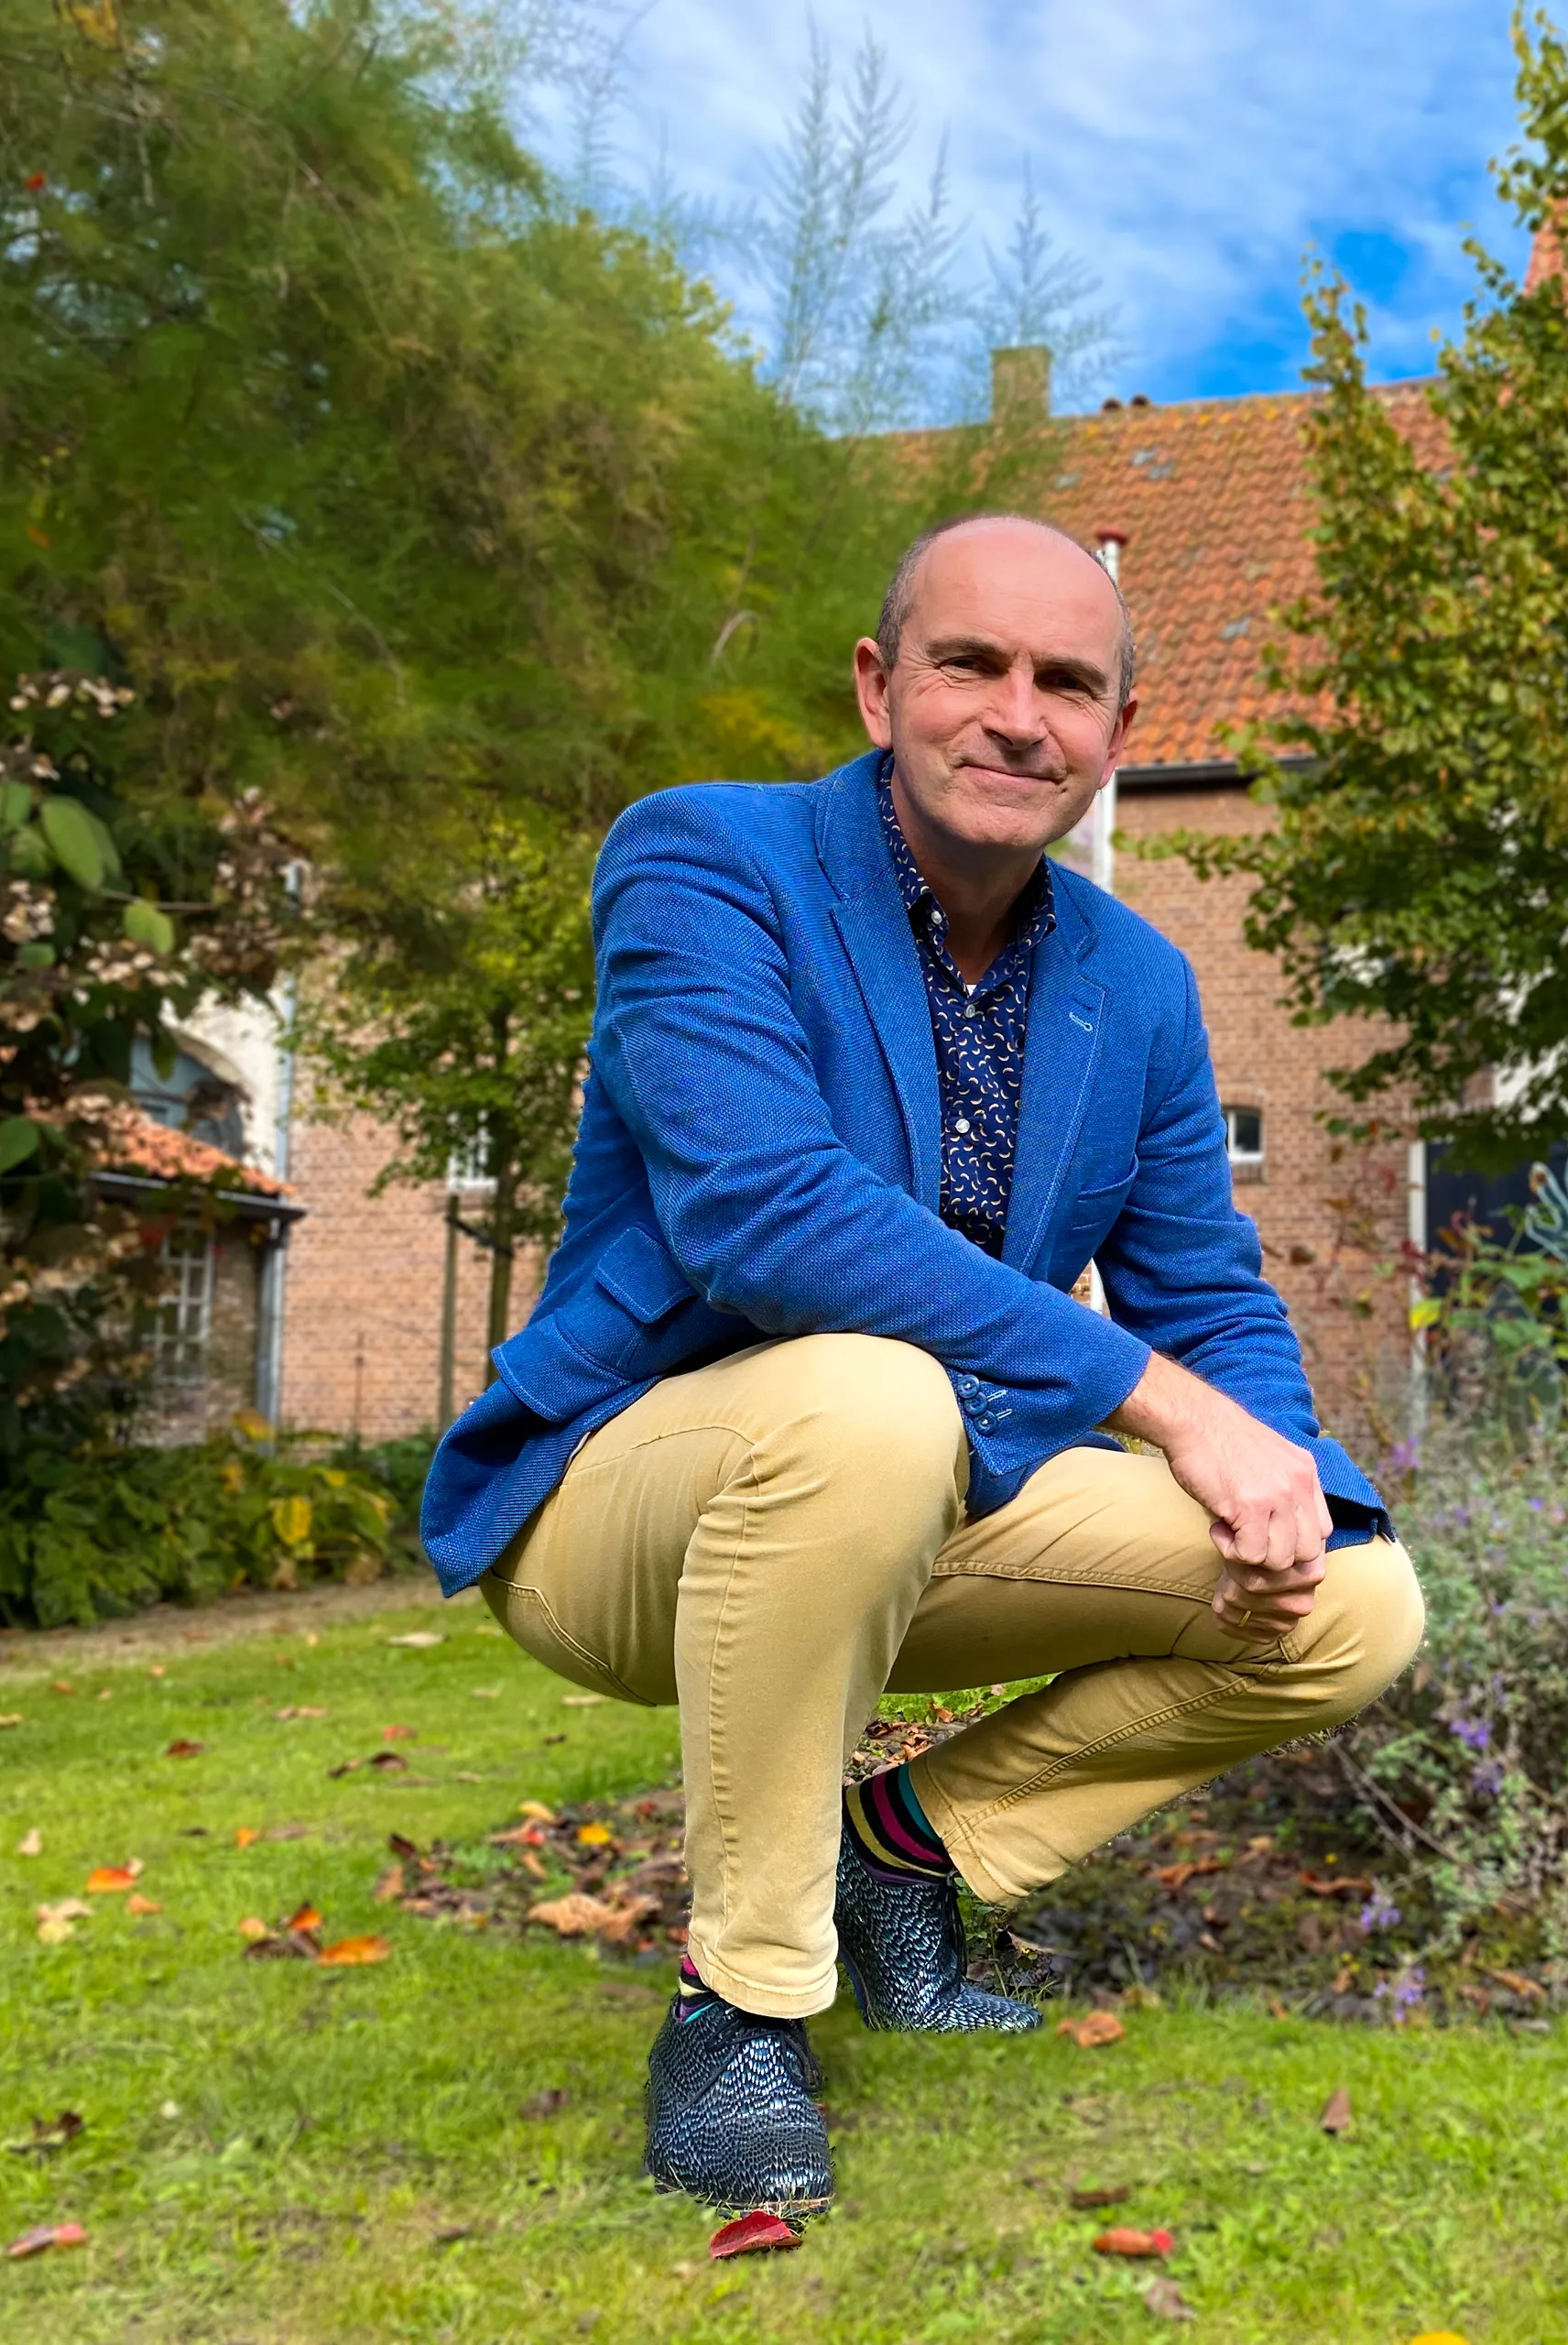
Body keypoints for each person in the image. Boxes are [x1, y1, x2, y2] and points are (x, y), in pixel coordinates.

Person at [419, 514, 1423, 2218]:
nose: (1019, 716)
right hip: (619, 1504)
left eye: (1070, 685)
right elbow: (766, 1214)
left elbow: (1207, 1291)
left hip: (924, 1501)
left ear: (1117, 736)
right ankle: (739, 2009)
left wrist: (1288, 1478)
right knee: (870, 1393)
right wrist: (1161, 1406)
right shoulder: (705, 862)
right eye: (972, 663)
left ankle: (909, 1859)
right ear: (882, 685)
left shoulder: (1144, 986)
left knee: (1354, 1602)